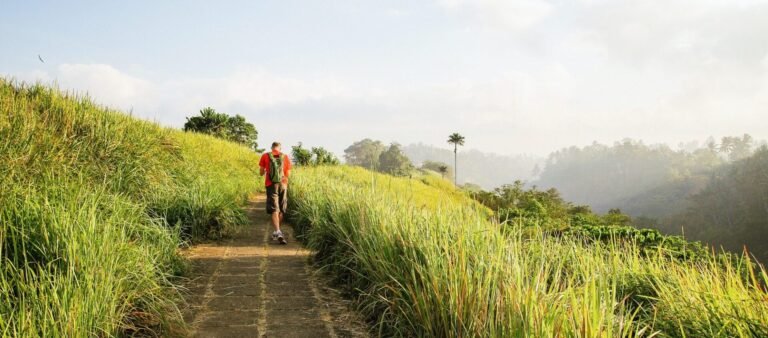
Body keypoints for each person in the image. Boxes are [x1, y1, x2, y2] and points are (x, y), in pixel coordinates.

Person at [259, 141, 292, 244]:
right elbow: (288, 174)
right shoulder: (285, 157)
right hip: (283, 184)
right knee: (281, 208)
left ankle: (278, 232)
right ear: (280, 148)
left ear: (271, 148)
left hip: (271, 184)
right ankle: (276, 232)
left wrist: (265, 171)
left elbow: (260, 172)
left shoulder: (265, 156)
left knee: (274, 208)